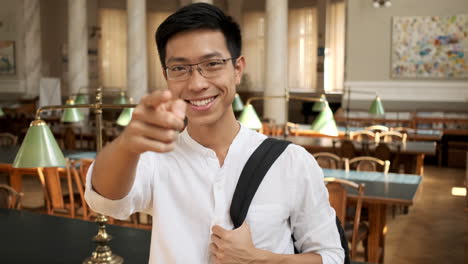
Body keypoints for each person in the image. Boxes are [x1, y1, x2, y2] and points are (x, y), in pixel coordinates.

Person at [85, 3, 344, 264]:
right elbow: (105, 202)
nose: (197, 84)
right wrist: (127, 144)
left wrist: (260, 260)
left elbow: (331, 256)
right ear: (165, 75)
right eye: (179, 68)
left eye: (212, 64)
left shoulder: (291, 162)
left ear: (238, 69)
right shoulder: (155, 158)